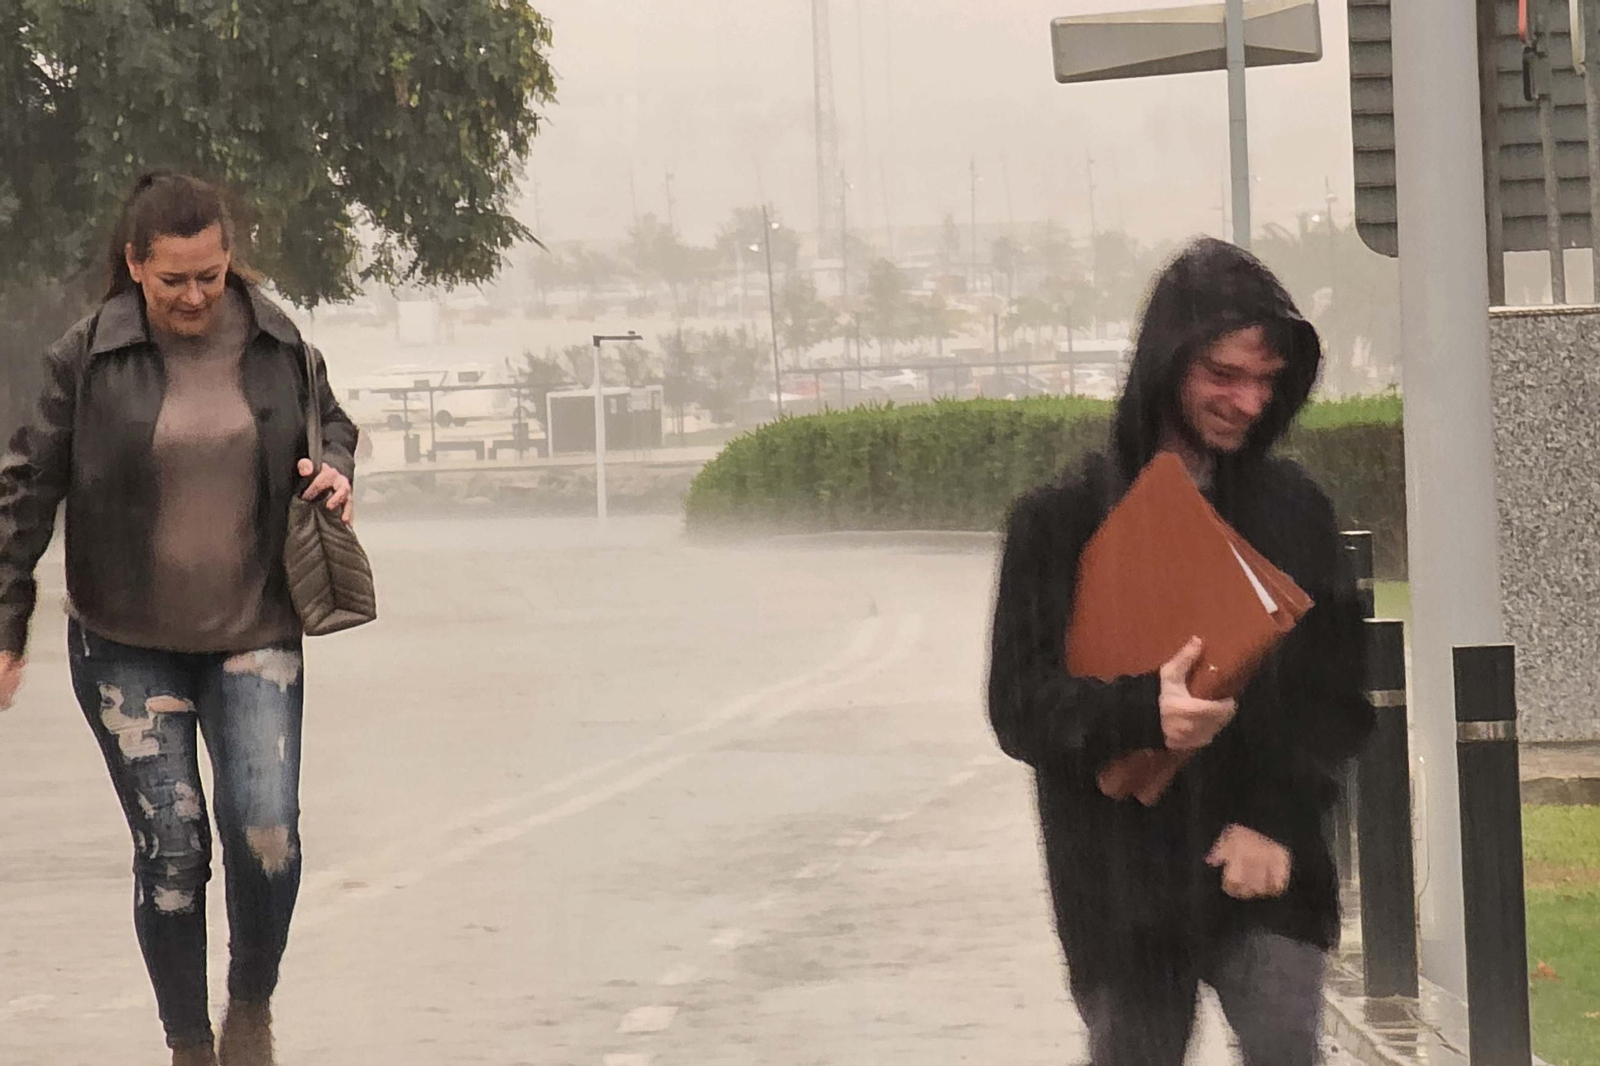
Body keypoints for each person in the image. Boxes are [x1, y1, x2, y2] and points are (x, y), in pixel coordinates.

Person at [987, 237, 1376, 1066]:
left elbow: (1338, 696)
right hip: (1121, 881)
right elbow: (1018, 705)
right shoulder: (1059, 520)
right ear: (1167, 366)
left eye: (1267, 380)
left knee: (1284, 1044)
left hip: (1266, 861)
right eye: (1224, 376)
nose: (1248, 402)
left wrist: (1274, 819)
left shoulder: (1295, 509)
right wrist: (1142, 711)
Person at [0, 172, 358, 1066]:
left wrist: (336, 470)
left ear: (229, 258)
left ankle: (251, 1006)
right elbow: (25, 492)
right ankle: (189, 1045)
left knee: (267, 835)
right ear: (134, 266)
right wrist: (7, 625)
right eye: (173, 280)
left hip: (255, 629)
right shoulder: (85, 359)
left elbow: (333, 424)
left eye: (209, 275)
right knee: (172, 848)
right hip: (126, 642)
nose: (194, 296)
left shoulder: (279, 341)